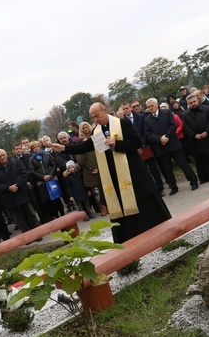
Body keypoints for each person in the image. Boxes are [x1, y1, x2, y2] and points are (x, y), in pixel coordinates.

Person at [53, 102, 171, 243]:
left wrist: (117, 143)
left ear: (105, 110)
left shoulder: (123, 124)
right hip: (113, 176)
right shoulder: (97, 132)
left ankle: (159, 229)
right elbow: (85, 147)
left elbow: (137, 142)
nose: (96, 120)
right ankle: (129, 237)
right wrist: (64, 148)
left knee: (143, 201)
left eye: (97, 115)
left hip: (133, 172)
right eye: (93, 117)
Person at [144, 98, 199, 194]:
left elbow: (173, 125)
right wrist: (159, 139)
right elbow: (148, 134)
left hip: (173, 144)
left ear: (157, 105)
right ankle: (173, 187)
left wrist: (166, 137)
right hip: (161, 146)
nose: (150, 108)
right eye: (148, 107)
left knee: (183, 164)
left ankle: (193, 181)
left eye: (152, 106)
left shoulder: (166, 113)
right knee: (167, 169)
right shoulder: (147, 119)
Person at [0, 148, 42, 237]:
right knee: (18, 219)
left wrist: (17, 185)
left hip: (22, 193)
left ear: (6, 154)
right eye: (0, 156)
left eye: (3, 155)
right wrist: (8, 187)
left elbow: (23, 174)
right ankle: (27, 237)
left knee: (31, 215)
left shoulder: (16, 162)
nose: (2, 157)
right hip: (9, 198)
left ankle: (37, 234)